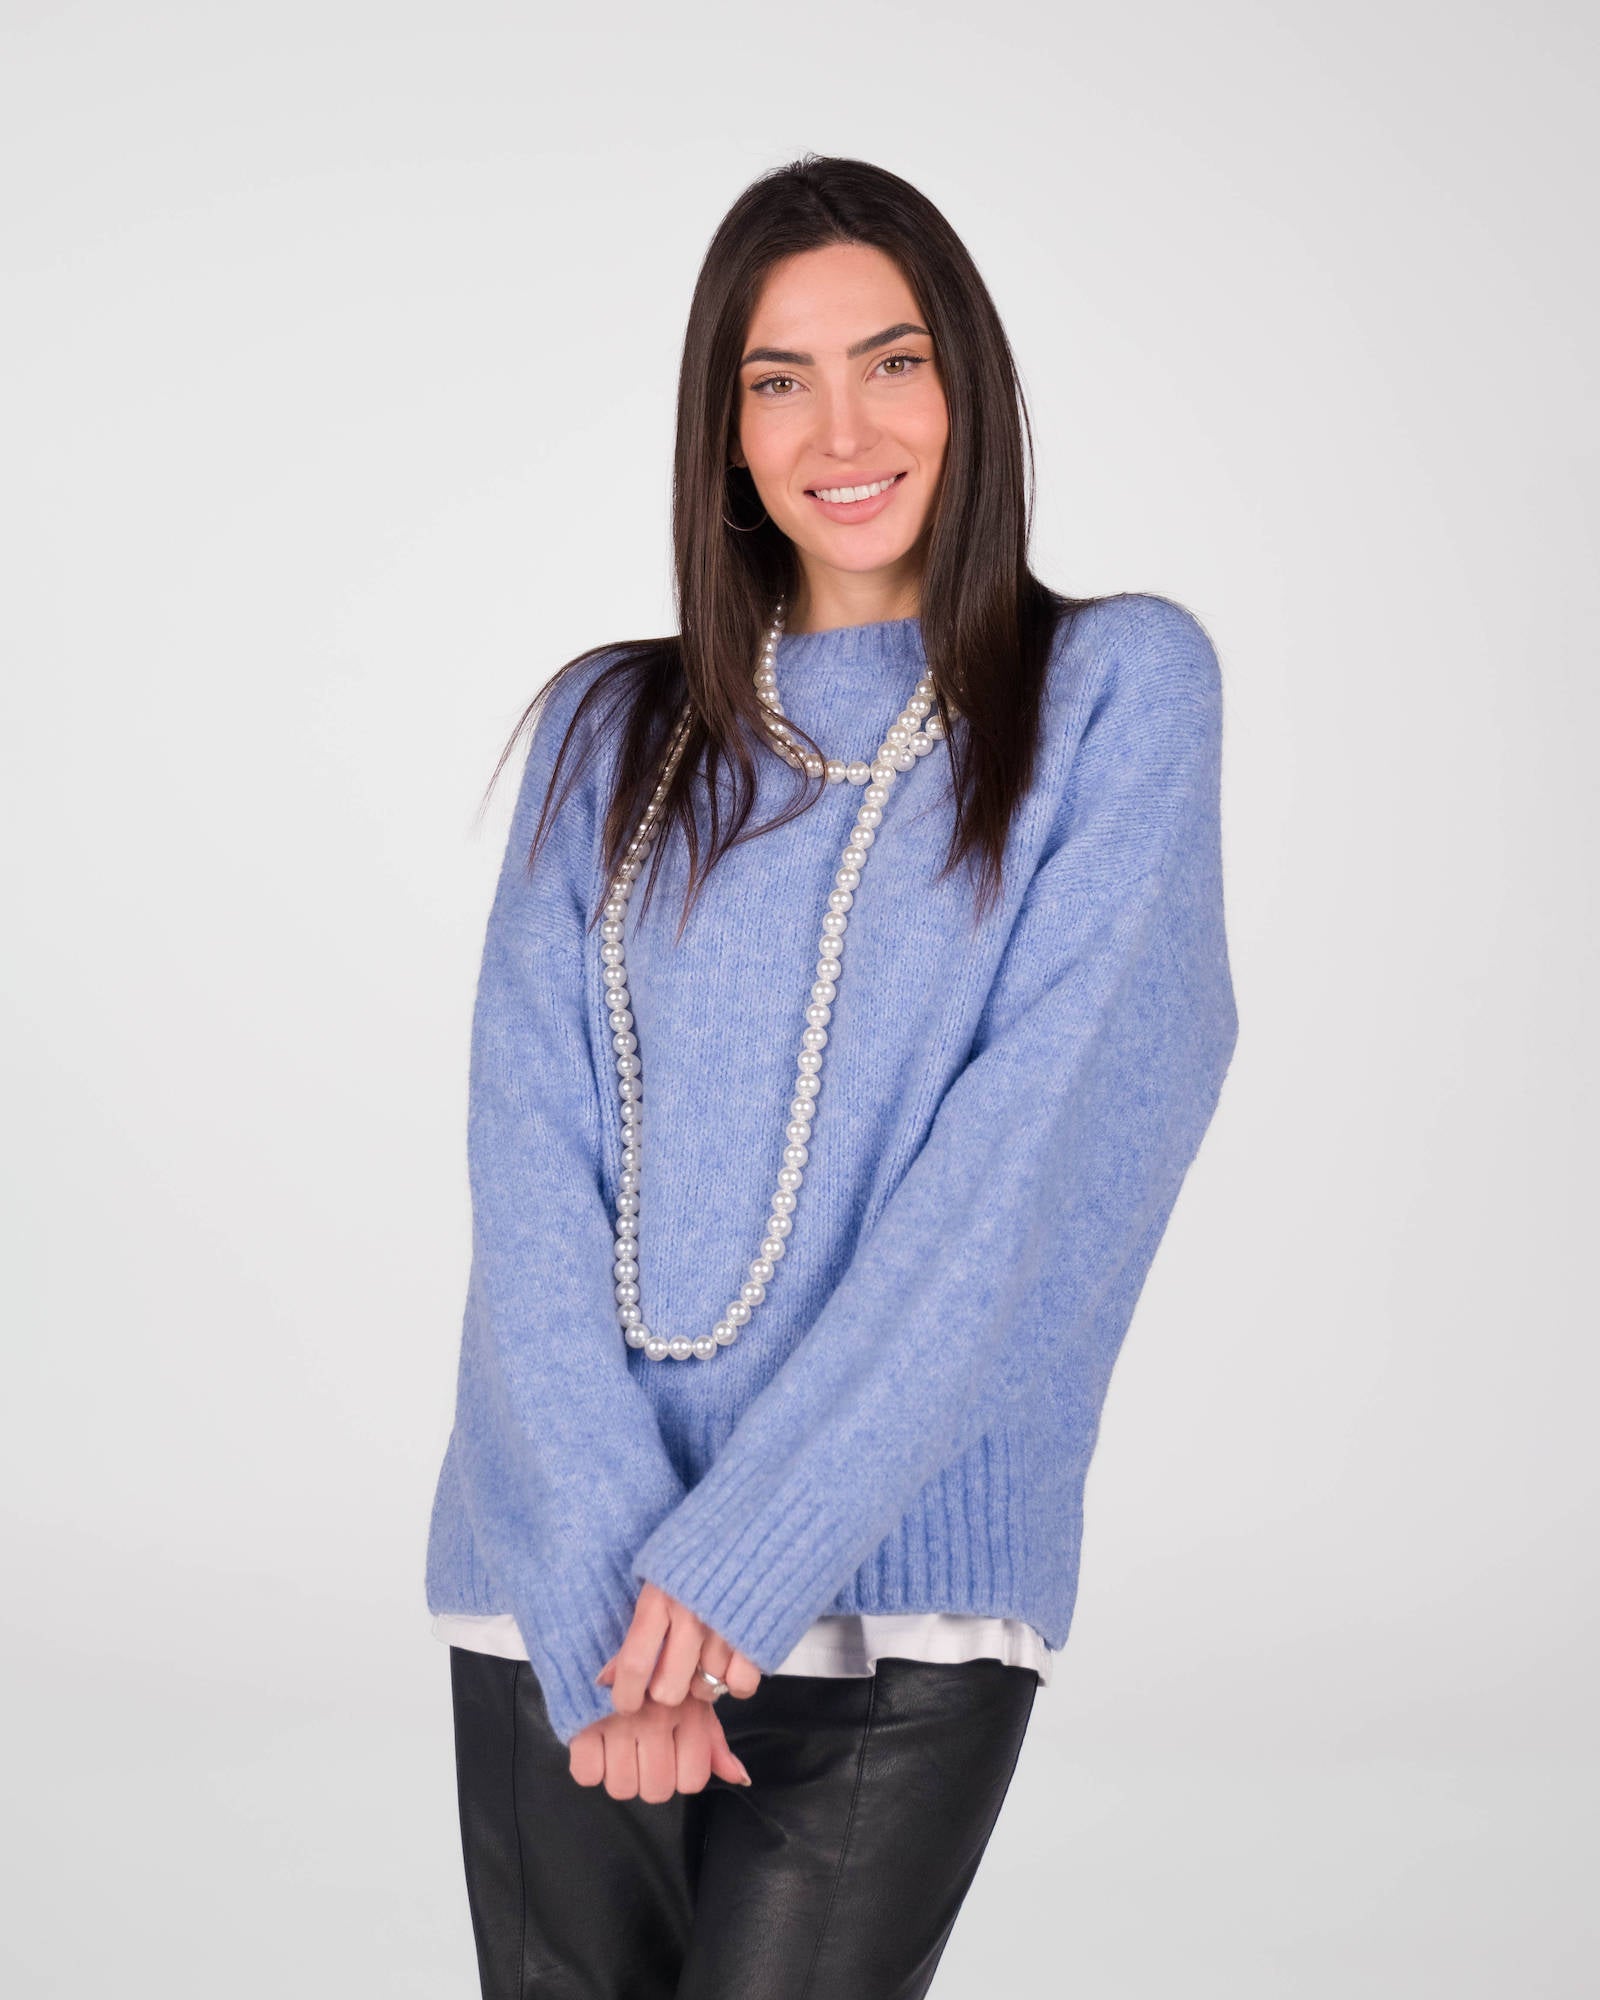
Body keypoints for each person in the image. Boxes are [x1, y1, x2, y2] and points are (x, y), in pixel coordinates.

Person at [423, 152, 1239, 1999]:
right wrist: (606, 1599)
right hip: (555, 1589)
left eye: (893, 361)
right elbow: (527, 1157)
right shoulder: (607, 727)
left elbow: (1031, 1167)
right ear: (724, 430)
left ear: (971, 385)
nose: (842, 430)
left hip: (897, 1590)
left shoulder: (1118, 690)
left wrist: (726, 1573)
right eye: (778, 379)